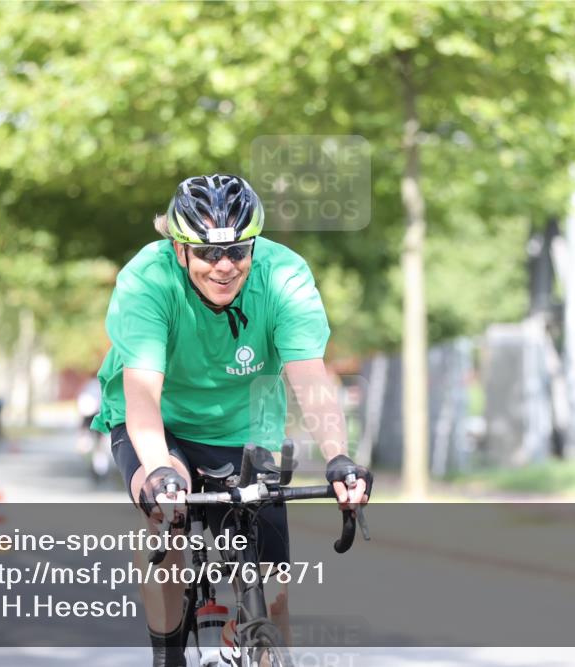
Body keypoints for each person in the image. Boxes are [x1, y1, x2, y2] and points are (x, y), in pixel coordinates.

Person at [91, 174, 372, 666]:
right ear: (179, 248)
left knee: (272, 585)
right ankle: (168, 656)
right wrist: (158, 472)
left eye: (238, 251)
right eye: (206, 254)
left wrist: (339, 458)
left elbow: (309, 378)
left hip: (245, 429)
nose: (224, 266)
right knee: (168, 513)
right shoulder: (147, 280)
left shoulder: (284, 276)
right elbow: (142, 396)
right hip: (162, 425)